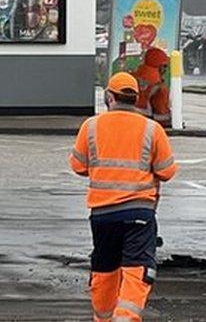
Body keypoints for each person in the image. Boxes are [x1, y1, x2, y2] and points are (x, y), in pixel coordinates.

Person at [69, 72, 179, 322]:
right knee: (137, 269)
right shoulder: (152, 129)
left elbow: (77, 165)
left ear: (109, 97)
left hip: (102, 215)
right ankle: (125, 318)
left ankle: (104, 317)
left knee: (104, 269)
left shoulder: (91, 126)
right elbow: (166, 171)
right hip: (139, 213)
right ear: (136, 98)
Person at [132, 47, 172, 127]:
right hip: (143, 123)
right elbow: (161, 116)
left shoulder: (133, 76)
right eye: (164, 66)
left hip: (123, 119)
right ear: (159, 66)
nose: (165, 69)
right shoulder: (158, 85)